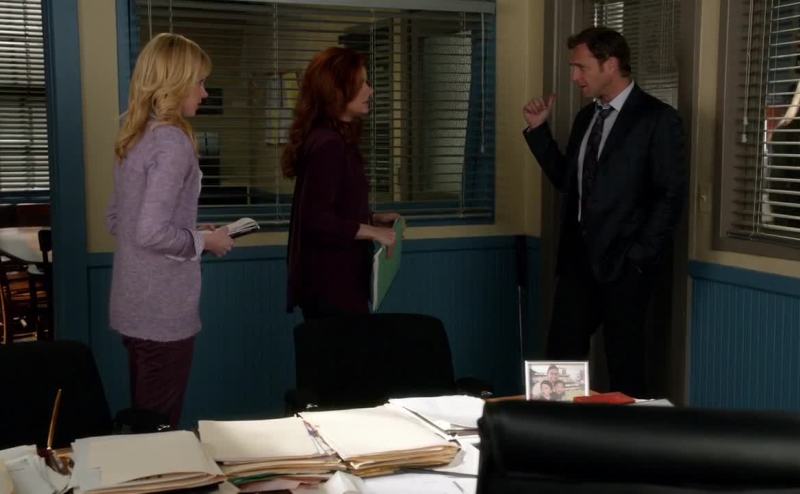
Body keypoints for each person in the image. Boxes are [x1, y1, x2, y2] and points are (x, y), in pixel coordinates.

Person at [522, 27, 686, 397]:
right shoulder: (586, 118)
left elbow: (669, 196)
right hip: (577, 264)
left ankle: (629, 435)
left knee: (626, 368)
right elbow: (569, 181)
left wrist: (638, 258)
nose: (574, 77)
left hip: (626, 267)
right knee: (558, 365)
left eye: (580, 67)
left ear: (610, 64)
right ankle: (553, 431)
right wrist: (539, 132)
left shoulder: (658, 119)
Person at [107, 33, 234, 427]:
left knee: (147, 424)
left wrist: (189, 230)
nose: (205, 93)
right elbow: (148, 232)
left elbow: (119, 221)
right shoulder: (173, 142)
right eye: (200, 82)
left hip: (133, 305)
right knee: (159, 434)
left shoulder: (135, 135)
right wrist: (205, 240)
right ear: (176, 83)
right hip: (161, 312)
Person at [283, 47, 399, 320]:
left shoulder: (334, 139)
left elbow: (332, 207)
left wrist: (372, 218)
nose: (370, 91)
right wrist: (372, 231)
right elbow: (316, 220)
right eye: (362, 83)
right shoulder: (328, 144)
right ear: (336, 91)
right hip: (332, 286)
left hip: (335, 283)